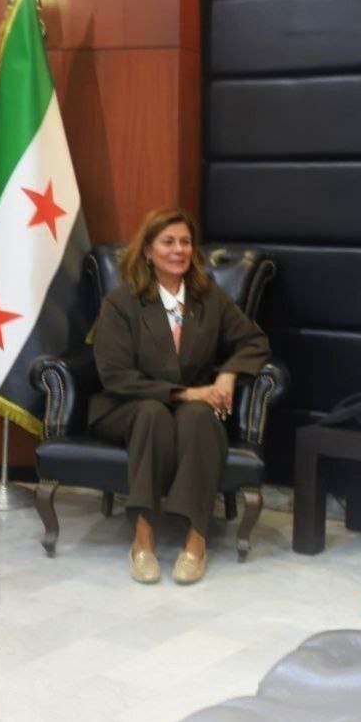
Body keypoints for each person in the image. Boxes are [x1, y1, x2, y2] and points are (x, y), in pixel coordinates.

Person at [89, 209, 270, 585]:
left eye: (185, 242)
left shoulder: (209, 298)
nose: (179, 250)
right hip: (128, 405)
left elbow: (254, 341)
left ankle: (196, 541)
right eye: (168, 242)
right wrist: (184, 393)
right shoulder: (121, 303)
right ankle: (143, 540)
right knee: (153, 414)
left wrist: (228, 373)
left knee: (201, 416)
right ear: (148, 251)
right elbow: (115, 376)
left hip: (192, 409)